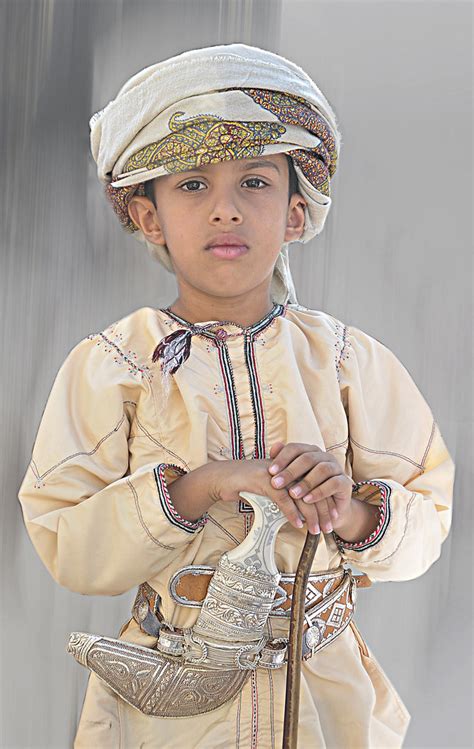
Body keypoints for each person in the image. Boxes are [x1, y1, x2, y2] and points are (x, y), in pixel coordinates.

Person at [18, 43, 455, 748]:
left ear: (293, 212)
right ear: (149, 216)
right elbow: (67, 541)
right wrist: (197, 488)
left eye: (254, 182)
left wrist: (351, 512)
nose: (225, 210)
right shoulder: (115, 366)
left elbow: (428, 519)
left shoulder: (348, 362)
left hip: (327, 704)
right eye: (192, 185)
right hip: (167, 706)